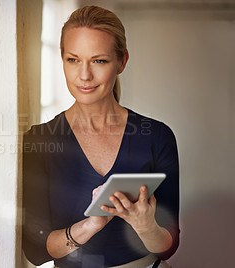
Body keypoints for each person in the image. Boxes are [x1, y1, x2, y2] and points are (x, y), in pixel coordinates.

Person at [22, 5, 180, 268]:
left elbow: (168, 247)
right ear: (61, 59)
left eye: (99, 60)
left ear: (122, 61)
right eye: (73, 60)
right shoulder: (39, 142)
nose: (84, 75)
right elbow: (36, 251)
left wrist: (145, 225)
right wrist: (90, 226)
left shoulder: (157, 137)